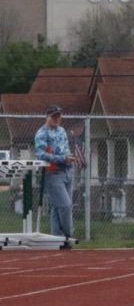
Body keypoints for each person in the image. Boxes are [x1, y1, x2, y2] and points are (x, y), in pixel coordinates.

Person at [34, 105, 77, 248]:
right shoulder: (41, 134)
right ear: (47, 117)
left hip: (68, 171)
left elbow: (65, 148)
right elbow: (41, 154)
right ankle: (68, 235)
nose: (57, 119)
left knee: (57, 207)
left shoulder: (62, 131)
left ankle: (56, 239)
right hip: (53, 173)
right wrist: (62, 158)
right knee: (65, 205)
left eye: (59, 116)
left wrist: (69, 157)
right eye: (54, 116)